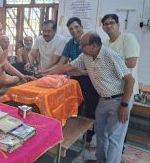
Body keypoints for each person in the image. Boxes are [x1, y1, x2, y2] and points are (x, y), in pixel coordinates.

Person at [46, 32, 135, 163]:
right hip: (104, 99)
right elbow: (67, 66)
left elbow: (130, 80)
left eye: (83, 45)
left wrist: (124, 105)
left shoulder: (111, 55)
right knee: (100, 132)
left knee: (115, 138)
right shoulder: (86, 56)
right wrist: (45, 73)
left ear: (94, 46)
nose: (80, 47)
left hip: (120, 100)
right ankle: (101, 159)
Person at [38, 17, 99, 150]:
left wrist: (76, 71)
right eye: (71, 29)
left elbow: (93, 68)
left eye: (76, 27)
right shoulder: (70, 44)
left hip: (92, 80)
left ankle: (88, 139)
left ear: (82, 27)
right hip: (75, 80)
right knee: (74, 106)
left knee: (90, 109)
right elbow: (62, 64)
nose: (74, 30)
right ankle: (74, 136)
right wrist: (44, 73)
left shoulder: (90, 42)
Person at [102, 13, 140, 155]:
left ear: (119, 25)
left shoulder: (128, 38)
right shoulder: (105, 44)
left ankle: (115, 156)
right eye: (106, 24)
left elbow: (131, 62)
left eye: (112, 23)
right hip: (110, 92)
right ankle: (107, 157)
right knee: (107, 132)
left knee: (117, 136)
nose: (109, 26)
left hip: (125, 92)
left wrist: (109, 64)